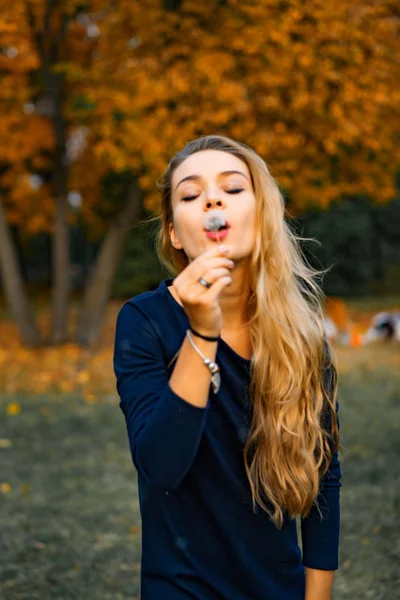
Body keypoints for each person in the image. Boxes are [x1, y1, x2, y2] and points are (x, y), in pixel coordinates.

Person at [113, 135, 342, 600]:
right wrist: (202, 333)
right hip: (181, 588)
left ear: (261, 214)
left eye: (233, 188)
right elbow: (161, 467)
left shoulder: (301, 335)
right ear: (175, 233)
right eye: (191, 194)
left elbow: (323, 480)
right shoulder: (145, 321)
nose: (212, 198)